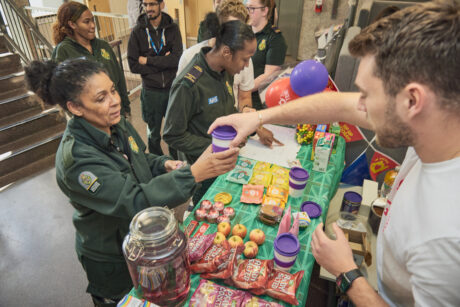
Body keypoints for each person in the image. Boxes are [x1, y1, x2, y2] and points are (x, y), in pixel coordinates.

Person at [209, 1, 460, 306]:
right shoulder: (433, 127)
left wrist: (347, 274)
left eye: (366, 95)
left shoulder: (447, 236)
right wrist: (258, 117)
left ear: (412, 100)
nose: (360, 106)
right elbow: (339, 104)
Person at [24, 58, 239, 307]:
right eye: (100, 98)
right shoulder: (78, 161)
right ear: (75, 108)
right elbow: (134, 200)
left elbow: (139, 157)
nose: (114, 101)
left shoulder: (114, 123)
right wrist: (193, 174)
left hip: (147, 243)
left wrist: (163, 164)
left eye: (113, 90)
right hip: (115, 257)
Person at [164, 20, 280, 205]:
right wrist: (217, 146)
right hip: (207, 166)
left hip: (229, 159)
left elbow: (226, 110)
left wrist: (255, 126)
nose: (246, 65)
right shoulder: (188, 85)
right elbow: (172, 135)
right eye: (245, 58)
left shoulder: (224, 69)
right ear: (226, 52)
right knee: (207, 210)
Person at [51, 1, 131, 118]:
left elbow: (119, 78)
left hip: (117, 113)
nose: (93, 25)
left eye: (92, 20)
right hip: (92, 121)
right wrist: (82, 120)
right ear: (72, 24)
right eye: (86, 22)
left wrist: (126, 107)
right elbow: (60, 93)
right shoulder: (64, 51)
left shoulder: (103, 46)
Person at [127, 0, 182, 157]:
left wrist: (149, 60)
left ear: (161, 4)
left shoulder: (173, 29)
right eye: (145, 5)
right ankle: (157, 163)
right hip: (151, 91)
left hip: (172, 89)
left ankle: (176, 161)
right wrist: (165, 61)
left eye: (152, 4)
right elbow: (133, 65)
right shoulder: (138, 31)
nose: (148, 8)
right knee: (153, 133)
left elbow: (177, 58)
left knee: (173, 130)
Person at [177, 0, 254, 111]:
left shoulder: (245, 61)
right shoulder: (189, 57)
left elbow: (244, 97)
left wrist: (246, 109)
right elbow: (180, 105)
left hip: (229, 125)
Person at [246, 0, 287, 110]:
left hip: (257, 103)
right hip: (239, 97)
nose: (248, 12)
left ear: (264, 11)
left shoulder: (275, 39)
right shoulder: (243, 33)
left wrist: (244, 89)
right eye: (247, 8)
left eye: (252, 8)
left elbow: (269, 75)